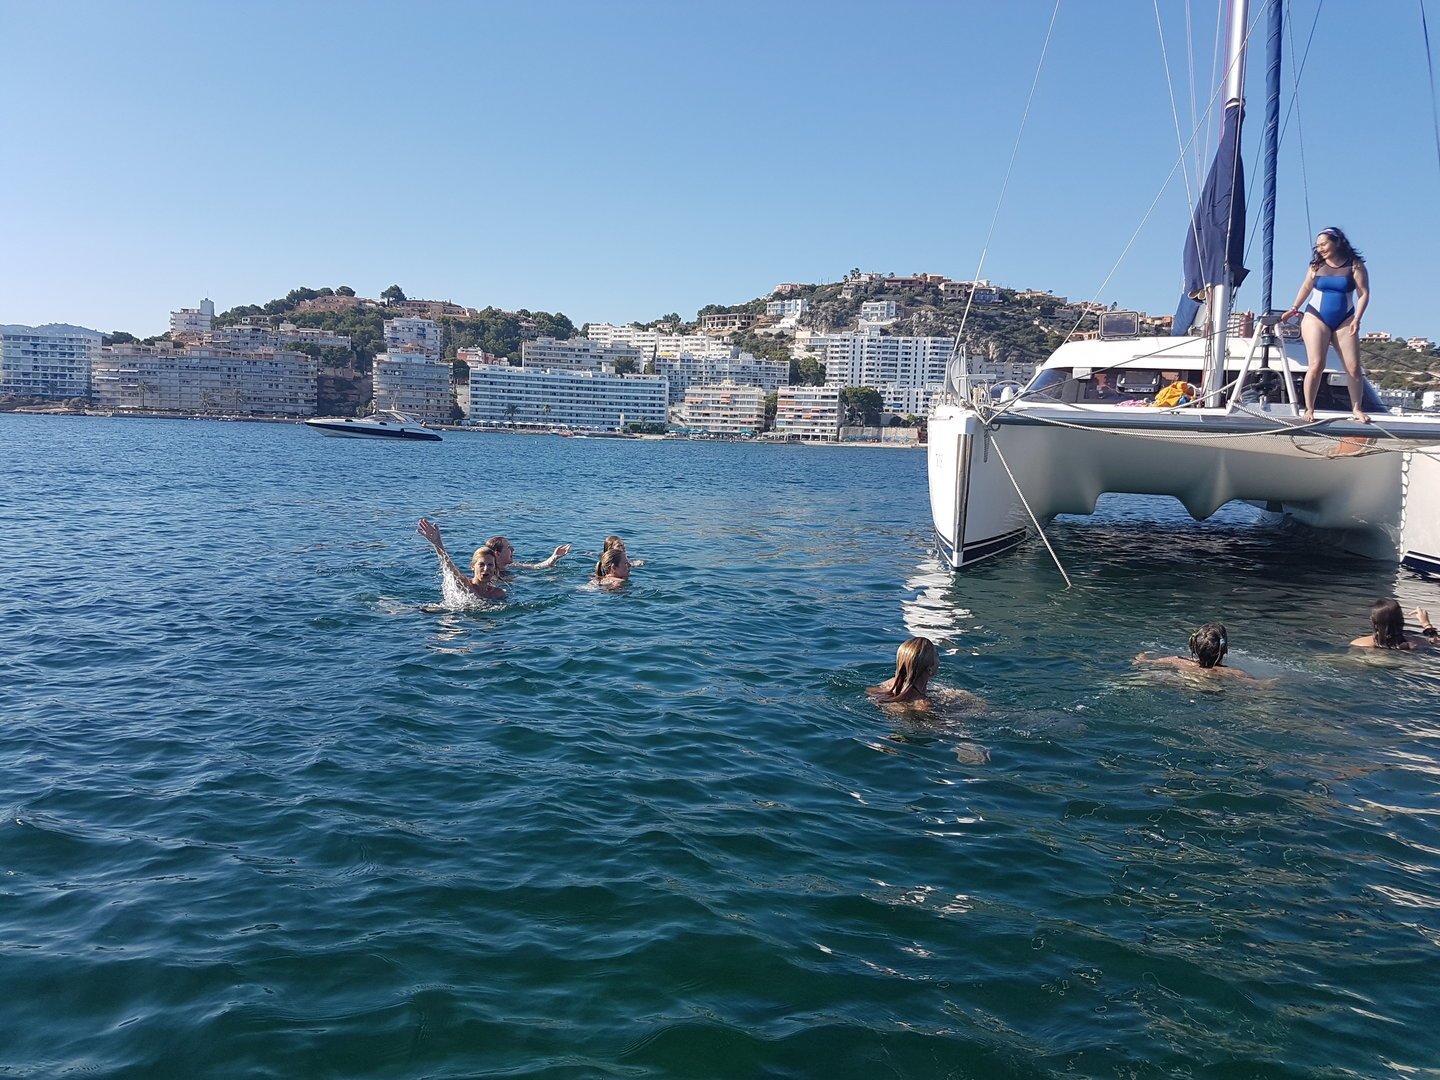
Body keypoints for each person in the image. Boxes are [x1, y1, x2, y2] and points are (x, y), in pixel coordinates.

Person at [1280, 227, 1371, 424]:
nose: (1320, 248)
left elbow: (1363, 293)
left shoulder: (1355, 266)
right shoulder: (1315, 266)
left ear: (1337, 242)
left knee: (1353, 367)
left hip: (1346, 318)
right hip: (1315, 316)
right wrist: (1294, 308)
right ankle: (1309, 408)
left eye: (1324, 244)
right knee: (1317, 364)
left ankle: (1357, 408)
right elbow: (1306, 287)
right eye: (1318, 245)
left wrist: (1357, 319)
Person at [1134, 622, 1270, 683]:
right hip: (1210, 690)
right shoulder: (1232, 673)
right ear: (1225, 649)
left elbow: (1141, 662)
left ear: (1193, 646)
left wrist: (1142, 656)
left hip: (1183, 682)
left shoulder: (1177, 660)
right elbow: (1261, 685)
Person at [417, 518, 505, 600]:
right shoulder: (465, 584)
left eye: (490, 565)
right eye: (481, 564)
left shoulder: (498, 593)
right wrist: (437, 543)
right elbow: (448, 567)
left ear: (494, 568)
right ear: (473, 566)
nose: (486, 568)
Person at [869, 637, 940, 705]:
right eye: (937, 655)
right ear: (929, 669)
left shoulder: (889, 684)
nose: (939, 657)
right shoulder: (921, 703)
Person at [1350, 599, 1437, 650]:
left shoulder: (1359, 643)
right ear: (1401, 620)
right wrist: (1426, 624)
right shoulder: (1417, 643)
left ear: (1373, 621)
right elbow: (1436, 641)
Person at [487, 534, 571, 572]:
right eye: (509, 547)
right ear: (498, 554)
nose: (513, 549)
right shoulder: (487, 574)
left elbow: (536, 566)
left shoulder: (512, 566)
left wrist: (554, 557)